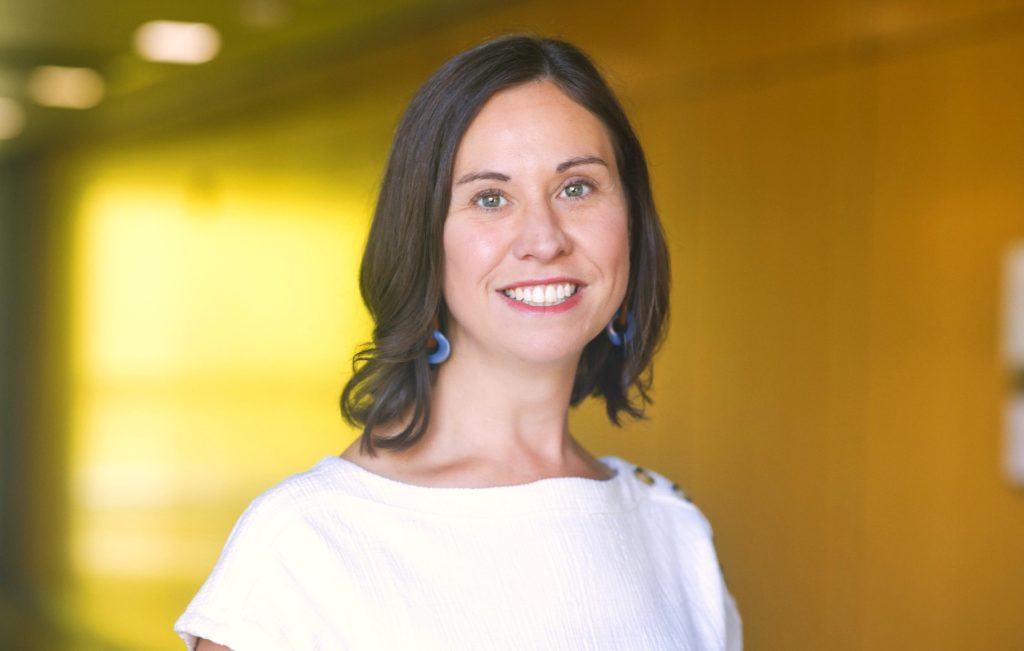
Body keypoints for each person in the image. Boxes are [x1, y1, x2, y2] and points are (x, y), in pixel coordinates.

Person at [175, 34, 742, 650]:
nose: (544, 239)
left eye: (576, 187)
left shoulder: (673, 532)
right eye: (490, 199)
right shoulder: (309, 541)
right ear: (424, 240)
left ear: (631, 216)